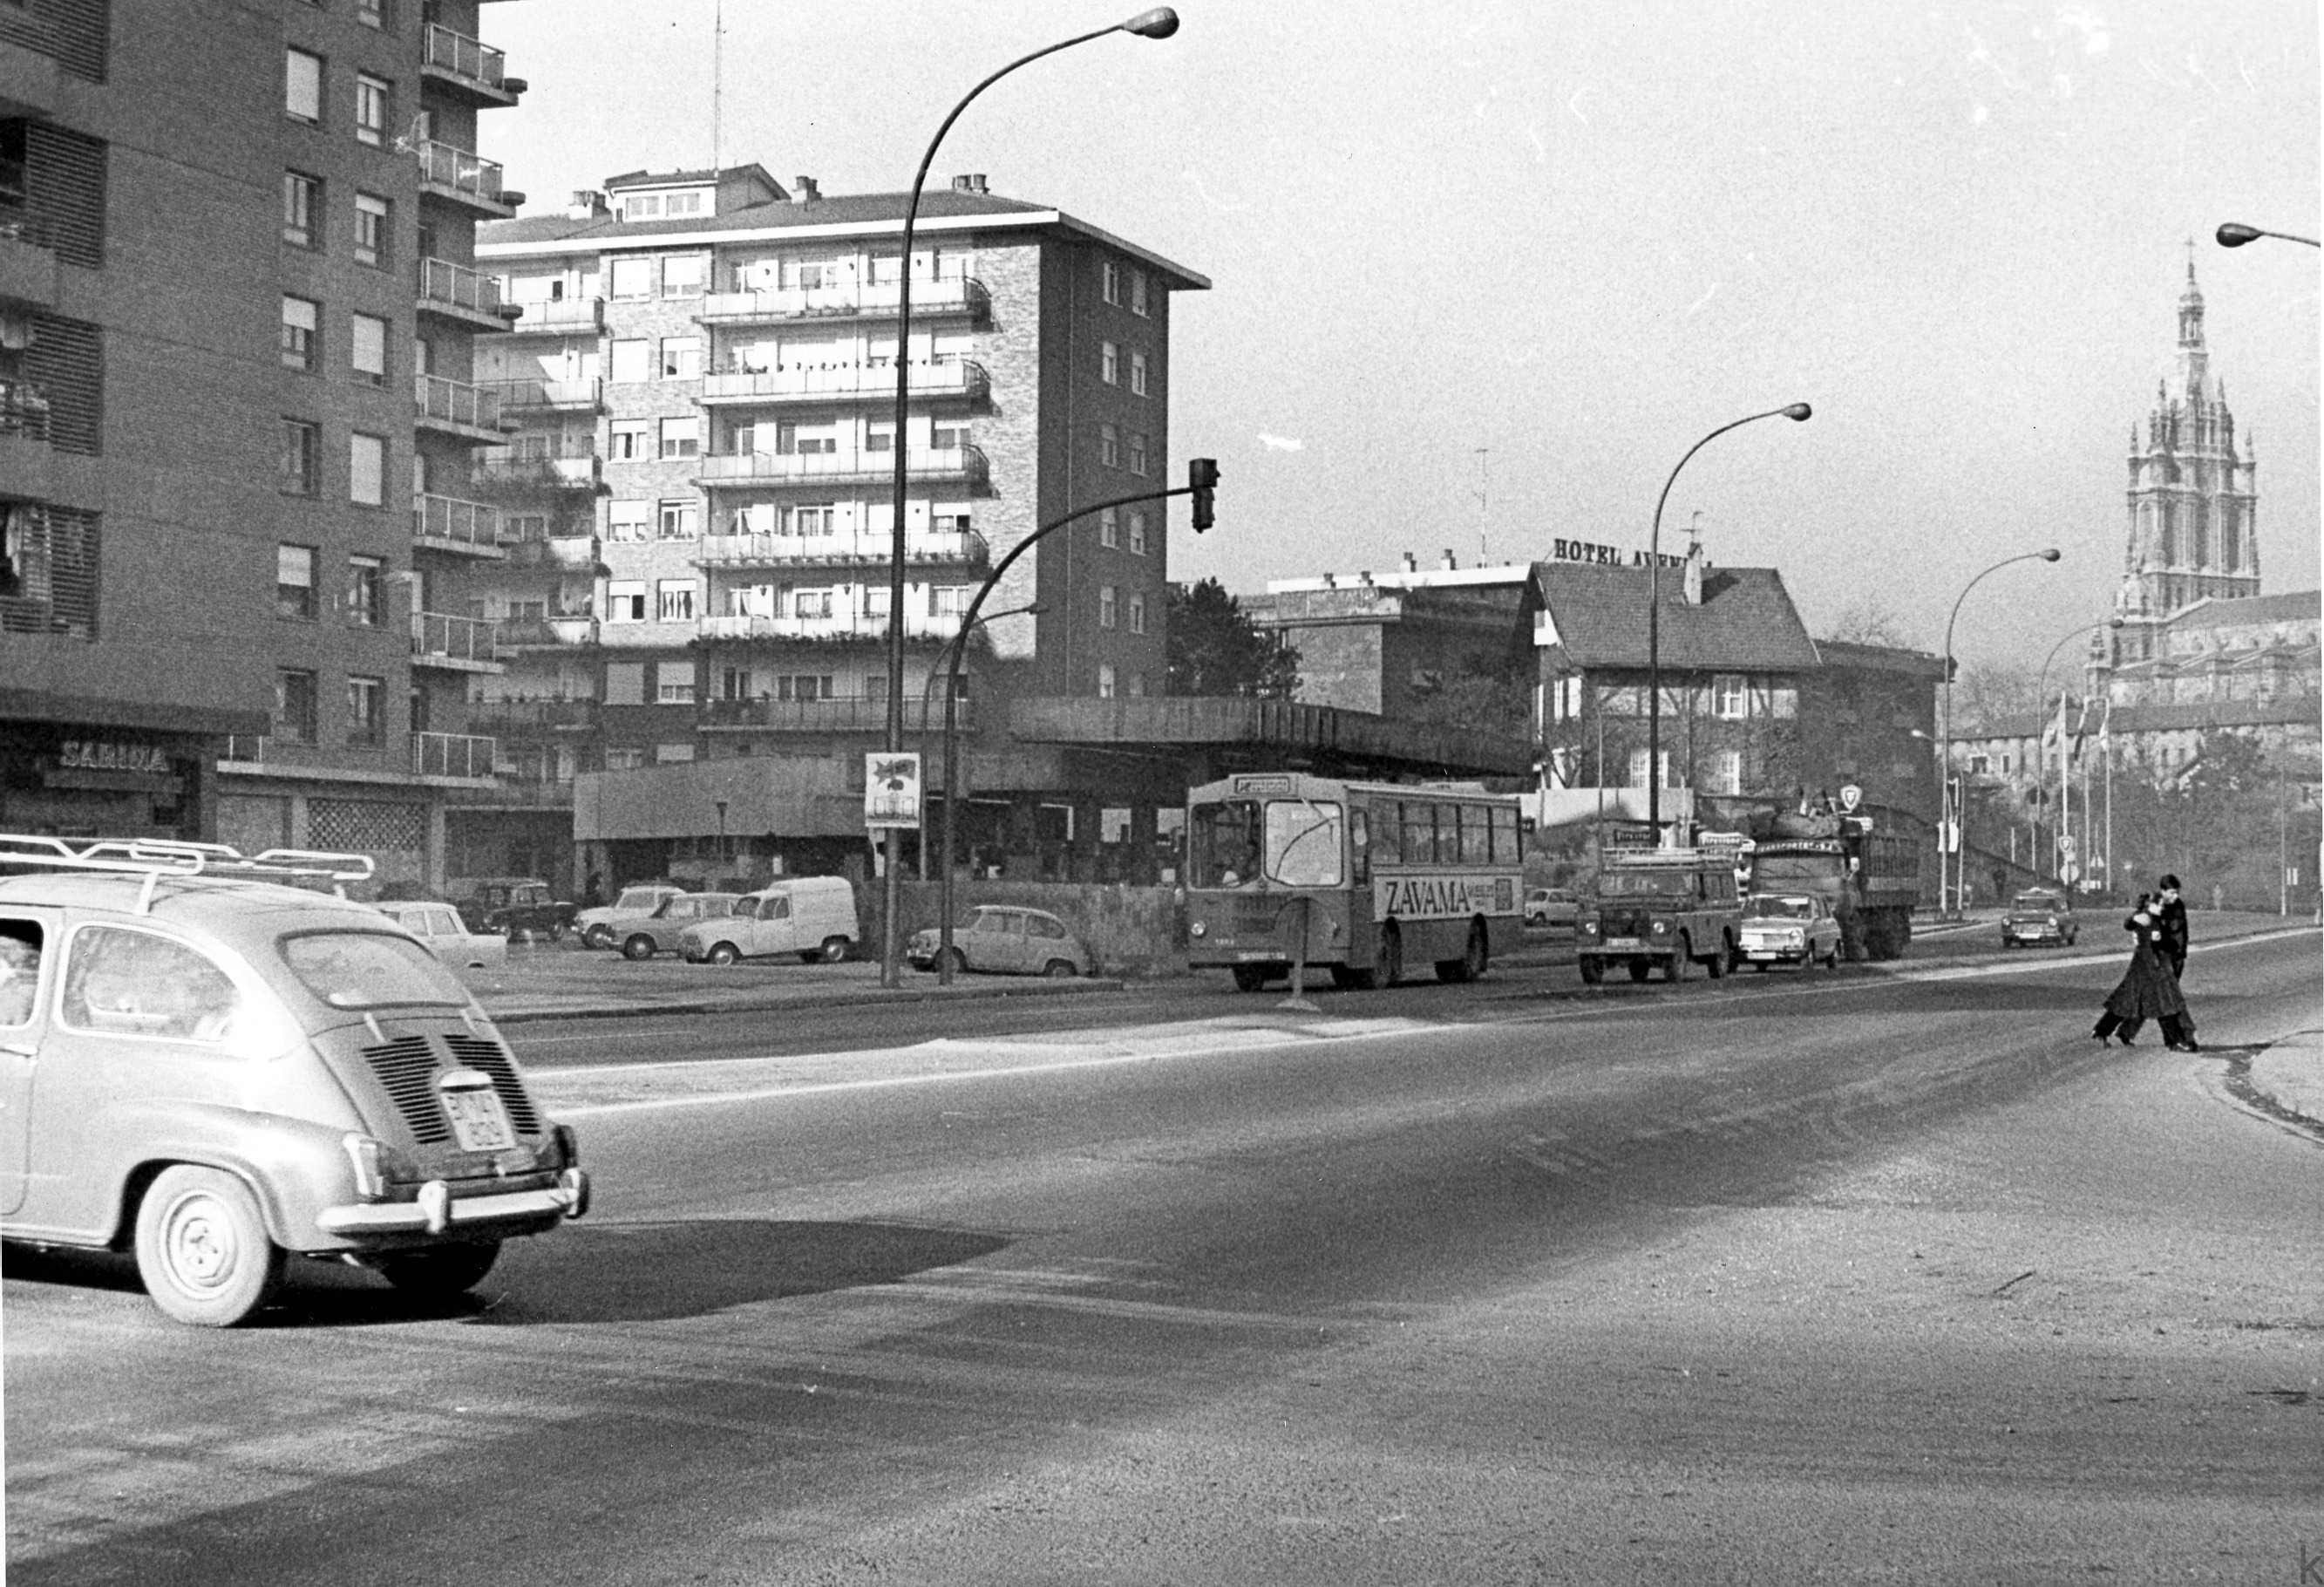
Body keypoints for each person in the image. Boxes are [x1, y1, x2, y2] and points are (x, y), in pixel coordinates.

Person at [2092, 893, 2198, 1052]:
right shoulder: (2146, 919)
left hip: (2144, 965)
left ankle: (2101, 1030)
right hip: (2149, 966)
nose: (2162, 908)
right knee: (2164, 1003)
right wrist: (2170, 946)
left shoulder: (2147, 918)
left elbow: (2132, 925)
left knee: (2128, 1001)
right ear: (2150, 905)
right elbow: (2148, 938)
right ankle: (2176, 1040)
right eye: (2159, 905)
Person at [2154, 874, 2188, 980]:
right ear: (2163, 891)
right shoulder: (2154, 905)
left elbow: (2183, 929)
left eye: (2177, 892)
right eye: (2172, 893)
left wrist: (2182, 951)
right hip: (2161, 956)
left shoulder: (2179, 905)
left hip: (2177, 956)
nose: (2176, 896)